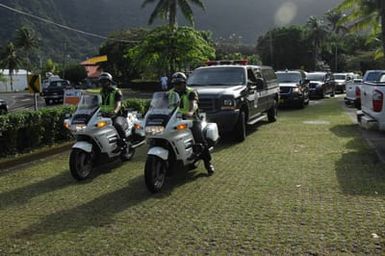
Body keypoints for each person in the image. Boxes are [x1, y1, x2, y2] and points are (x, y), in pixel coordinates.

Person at [169, 72, 214, 175]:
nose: (177, 86)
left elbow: (193, 104)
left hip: (191, 119)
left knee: (200, 140)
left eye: (179, 83)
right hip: (174, 119)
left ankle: (208, 163)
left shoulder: (191, 92)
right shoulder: (170, 93)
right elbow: (162, 103)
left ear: (184, 83)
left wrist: (190, 112)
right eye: (175, 84)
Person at [98, 72, 127, 149]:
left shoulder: (116, 91)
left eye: (105, 81)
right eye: (101, 81)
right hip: (104, 115)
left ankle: (123, 142)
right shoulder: (101, 92)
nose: (103, 83)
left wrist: (114, 112)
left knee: (117, 124)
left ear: (109, 81)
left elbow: (118, 104)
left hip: (117, 115)